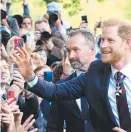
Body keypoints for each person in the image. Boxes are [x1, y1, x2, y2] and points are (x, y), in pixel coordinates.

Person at [10, 18, 131, 132]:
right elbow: (55, 92)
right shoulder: (96, 71)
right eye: (102, 39)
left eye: (110, 40)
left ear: (127, 43)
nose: (103, 45)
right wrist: (29, 76)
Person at [46, 29, 96, 132]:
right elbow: (54, 126)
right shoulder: (61, 86)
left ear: (91, 49)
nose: (71, 56)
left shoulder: (110, 78)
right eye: (68, 51)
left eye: (76, 49)